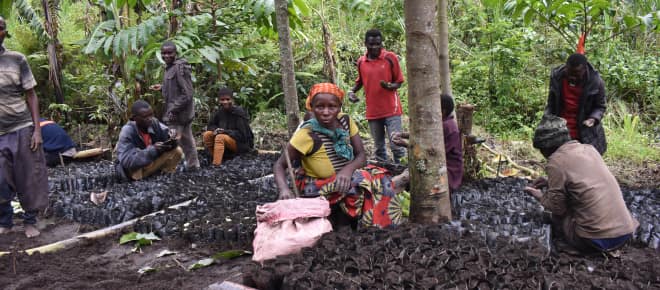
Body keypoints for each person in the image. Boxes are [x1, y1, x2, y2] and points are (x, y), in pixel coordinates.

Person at [273, 83, 404, 229]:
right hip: (315, 184)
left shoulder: (345, 121)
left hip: (344, 176)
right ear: (312, 107)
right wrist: (284, 189)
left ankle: (382, 225)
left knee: (381, 175)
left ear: (339, 107)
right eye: (319, 107)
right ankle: (344, 226)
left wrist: (347, 170)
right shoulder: (306, 134)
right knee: (359, 180)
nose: (326, 112)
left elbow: (361, 155)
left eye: (332, 107)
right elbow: (280, 165)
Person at [524, 114, 638, 254]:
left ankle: (579, 248)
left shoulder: (556, 162)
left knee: (557, 217)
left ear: (546, 147)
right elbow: (583, 183)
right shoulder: (589, 149)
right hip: (625, 233)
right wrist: (549, 183)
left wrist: (541, 197)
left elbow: (557, 207)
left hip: (597, 240)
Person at [0, 16, 49, 238]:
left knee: (29, 176)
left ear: (4, 32)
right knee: (1, 180)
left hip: (21, 127)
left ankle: (30, 221)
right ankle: (6, 221)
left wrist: (37, 130)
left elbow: (31, 95)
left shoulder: (17, 59)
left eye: (0, 27)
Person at [347, 29, 406, 163]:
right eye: (371, 44)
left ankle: (404, 171)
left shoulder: (390, 57)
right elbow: (360, 81)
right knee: (379, 148)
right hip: (373, 112)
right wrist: (351, 92)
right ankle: (383, 174)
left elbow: (399, 81)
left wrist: (390, 86)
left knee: (396, 145)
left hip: (392, 109)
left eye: (378, 44)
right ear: (365, 44)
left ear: (381, 43)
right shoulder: (361, 61)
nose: (375, 47)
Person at [391, 94, 463, 192]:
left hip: (446, 173)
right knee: (415, 167)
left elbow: (432, 153)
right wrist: (402, 135)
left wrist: (406, 144)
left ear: (443, 111)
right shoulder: (443, 123)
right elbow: (425, 135)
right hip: (436, 165)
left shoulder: (447, 127)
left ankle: (402, 183)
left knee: (416, 170)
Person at [150, 41, 200, 170]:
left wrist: (173, 109)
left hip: (178, 114)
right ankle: (193, 166)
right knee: (186, 140)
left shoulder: (179, 67)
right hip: (178, 112)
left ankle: (169, 168)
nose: (166, 55)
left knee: (172, 141)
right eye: (163, 53)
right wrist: (162, 87)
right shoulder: (169, 68)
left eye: (169, 53)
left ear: (175, 53)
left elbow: (187, 93)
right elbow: (175, 88)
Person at [544, 53, 607, 155]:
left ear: (584, 69)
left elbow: (600, 106)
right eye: (569, 72)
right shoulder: (557, 77)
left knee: (585, 159)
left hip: (584, 128)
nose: (572, 76)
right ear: (566, 67)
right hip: (560, 126)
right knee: (559, 157)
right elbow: (551, 101)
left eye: (576, 73)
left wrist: (593, 118)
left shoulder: (595, 81)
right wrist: (548, 117)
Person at [115, 100, 183, 181]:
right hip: (133, 172)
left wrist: (172, 135)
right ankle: (143, 181)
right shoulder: (127, 131)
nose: (150, 119)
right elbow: (126, 160)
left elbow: (166, 132)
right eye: (145, 117)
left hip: (149, 164)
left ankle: (163, 176)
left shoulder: (153, 122)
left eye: (151, 115)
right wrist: (153, 150)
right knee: (136, 169)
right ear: (134, 118)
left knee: (177, 151)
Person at [202, 87, 254, 166]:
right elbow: (211, 125)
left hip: (240, 144)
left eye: (227, 99)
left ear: (232, 100)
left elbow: (243, 135)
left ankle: (216, 165)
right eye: (222, 100)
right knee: (207, 135)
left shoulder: (238, 112)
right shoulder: (219, 112)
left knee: (220, 137)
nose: (225, 102)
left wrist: (226, 132)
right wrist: (216, 130)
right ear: (219, 100)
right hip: (224, 142)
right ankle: (216, 157)